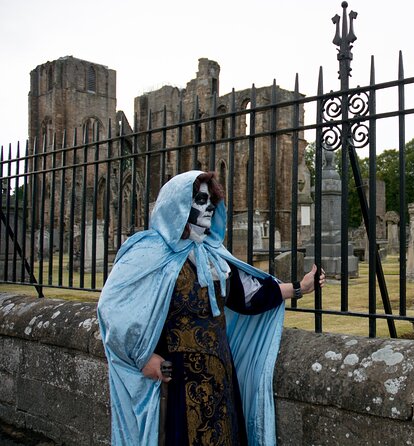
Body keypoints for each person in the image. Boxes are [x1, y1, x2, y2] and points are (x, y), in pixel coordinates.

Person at [97, 170, 325, 446]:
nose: (209, 207)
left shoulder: (212, 255)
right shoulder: (148, 253)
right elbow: (113, 310)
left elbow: (247, 297)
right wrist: (144, 358)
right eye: (200, 199)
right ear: (177, 205)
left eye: (212, 201)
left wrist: (299, 287)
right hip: (177, 378)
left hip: (219, 375)